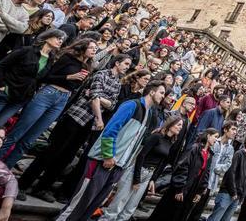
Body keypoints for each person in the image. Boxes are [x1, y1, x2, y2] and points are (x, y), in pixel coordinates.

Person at [18, 54, 132, 201]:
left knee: (66, 157)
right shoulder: (101, 74)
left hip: (87, 124)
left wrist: (99, 99)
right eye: (126, 64)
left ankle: (42, 188)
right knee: (52, 152)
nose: (128, 67)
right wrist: (99, 115)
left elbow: (111, 104)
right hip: (76, 117)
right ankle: (23, 184)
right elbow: (94, 98)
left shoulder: (117, 83)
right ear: (117, 63)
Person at [56, 79, 167, 221]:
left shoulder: (150, 114)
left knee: (93, 204)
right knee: (81, 200)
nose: (163, 96)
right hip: (103, 160)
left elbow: (135, 141)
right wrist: (108, 155)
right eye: (161, 92)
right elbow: (110, 130)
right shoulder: (132, 105)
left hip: (119, 166)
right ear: (152, 92)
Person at [0, 38, 94, 167]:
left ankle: (3, 170)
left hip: (63, 99)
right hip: (48, 94)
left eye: (96, 49)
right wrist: (68, 77)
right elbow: (46, 76)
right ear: (83, 48)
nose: (94, 50)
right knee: (17, 134)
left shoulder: (87, 67)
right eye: (91, 47)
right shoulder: (67, 58)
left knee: (29, 141)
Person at [0, 28, 66, 127]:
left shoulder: (50, 60)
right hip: (3, 94)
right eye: (58, 38)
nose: (61, 41)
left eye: (62, 40)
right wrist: (1, 86)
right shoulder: (27, 50)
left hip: (20, 100)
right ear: (47, 37)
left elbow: (38, 80)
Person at [98, 114, 184, 221]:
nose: (181, 127)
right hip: (137, 171)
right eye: (179, 125)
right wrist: (136, 179)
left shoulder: (171, 142)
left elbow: (162, 163)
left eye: (181, 125)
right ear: (171, 124)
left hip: (148, 175)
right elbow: (141, 156)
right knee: (117, 205)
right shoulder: (156, 136)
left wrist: (153, 179)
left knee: (130, 208)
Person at [148, 128, 219, 221]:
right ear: (208, 136)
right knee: (166, 214)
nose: (217, 140)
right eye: (215, 137)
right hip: (181, 188)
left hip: (191, 190)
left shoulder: (209, 154)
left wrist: (200, 191)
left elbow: (206, 173)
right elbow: (182, 167)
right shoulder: (194, 148)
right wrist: (180, 188)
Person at [209, 134, 246, 221]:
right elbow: (231, 173)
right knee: (215, 219)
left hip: (237, 196)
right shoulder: (238, 154)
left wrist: (241, 196)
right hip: (228, 193)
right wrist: (233, 192)